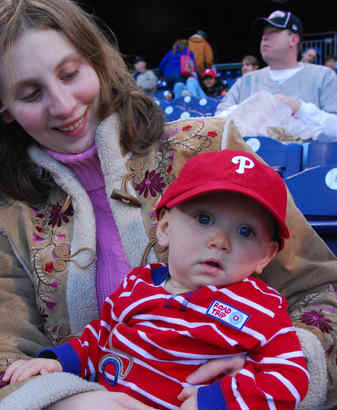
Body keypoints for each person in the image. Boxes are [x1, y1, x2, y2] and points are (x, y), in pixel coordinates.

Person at [0, 0, 336, 409]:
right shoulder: (10, 216)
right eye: (31, 94)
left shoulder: (210, 148)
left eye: (70, 74)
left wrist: (264, 379)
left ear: (97, 63)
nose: (64, 104)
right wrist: (70, 401)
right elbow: (9, 351)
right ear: (6, 110)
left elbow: (321, 289)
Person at [3, 150, 310, 410]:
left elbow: (290, 377)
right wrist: (59, 361)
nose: (220, 241)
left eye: (245, 231)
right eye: (203, 219)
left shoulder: (262, 307)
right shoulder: (138, 284)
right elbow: (99, 338)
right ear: (164, 228)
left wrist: (219, 400)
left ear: (265, 256)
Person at [216, 10, 337, 140]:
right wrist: (249, 107)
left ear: (293, 39)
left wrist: (300, 108)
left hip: (304, 158)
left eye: (273, 32)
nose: (264, 37)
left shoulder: (323, 76)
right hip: (247, 158)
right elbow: (216, 124)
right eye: (264, 33)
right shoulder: (246, 81)